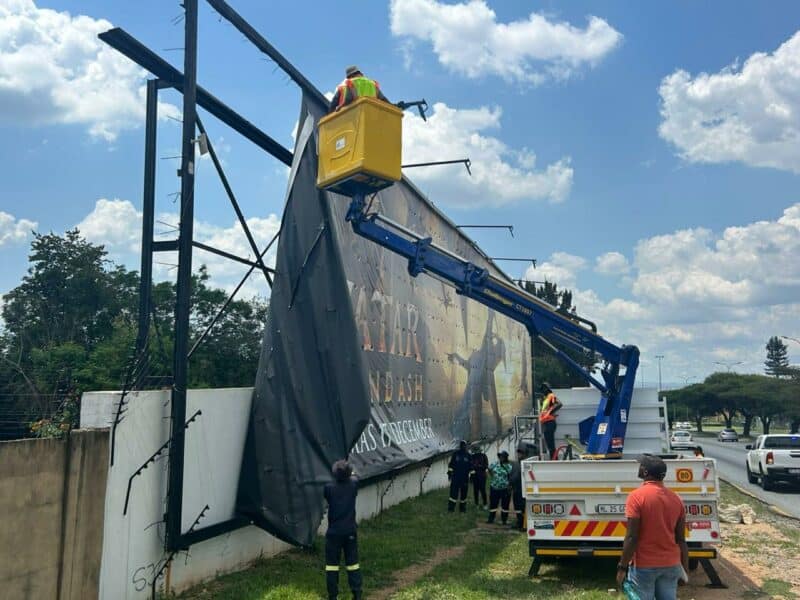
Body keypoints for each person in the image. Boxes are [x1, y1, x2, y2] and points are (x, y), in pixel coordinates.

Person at [616, 455, 688, 600]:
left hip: (645, 565)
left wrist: (622, 567)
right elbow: (681, 539)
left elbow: (632, 537)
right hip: (671, 564)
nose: (639, 467)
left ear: (646, 472)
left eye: (641, 466)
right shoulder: (677, 499)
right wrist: (684, 570)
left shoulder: (636, 497)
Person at [324, 460, 362, 600]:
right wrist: (351, 472)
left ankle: (333, 596)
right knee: (353, 564)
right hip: (350, 531)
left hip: (334, 533)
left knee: (332, 566)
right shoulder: (353, 485)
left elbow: (328, 494)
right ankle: (357, 593)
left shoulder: (329, 488)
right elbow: (356, 476)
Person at [486, 450, 513, 524]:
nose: (501, 458)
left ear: (505, 458)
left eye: (502, 456)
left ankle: (504, 520)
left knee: (505, 505)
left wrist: (509, 486)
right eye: (500, 456)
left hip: (505, 489)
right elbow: (489, 469)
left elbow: (511, 476)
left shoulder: (509, 466)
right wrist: (493, 477)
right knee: (493, 504)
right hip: (494, 488)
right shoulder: (494, 464)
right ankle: (491, 519)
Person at [447, 440, 474, 513]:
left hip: (464, 478)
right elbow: (451, 465)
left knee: (464, 495)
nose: (463, 447)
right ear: (460, 446)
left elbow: (471, 467)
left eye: (464, 445)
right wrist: (449, 473)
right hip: (455, 478)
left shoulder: (468, 456)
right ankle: (451, 509)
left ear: (466, 446)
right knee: (453, 494)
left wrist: (472, 477)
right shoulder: (455, 454)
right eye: (462, 445)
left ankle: (462, 509)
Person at [539, 382, 562, 459]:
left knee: (551, 445)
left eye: (544, 389)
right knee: (550, 445)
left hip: (550, 423)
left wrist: (550, 412)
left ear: (547, 389)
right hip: (547, 423)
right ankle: (554, 460)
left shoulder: (550, 396)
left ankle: (554, 461)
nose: (542, 391)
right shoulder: (546, 398)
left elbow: (559, 404)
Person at [510, 447, 528, 530]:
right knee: (517, 507)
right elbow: (512, 475)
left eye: (521, 453)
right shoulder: (515, 464)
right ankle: (519, 522)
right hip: (516, 489)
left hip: (523, 489)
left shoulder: (527, 464)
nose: (519, 455)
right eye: (518, 453)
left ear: (525, 454)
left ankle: (524, 524)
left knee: (523, 507)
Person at [469, 443, 489, 509]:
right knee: (476, 491)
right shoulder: (472, 457)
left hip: (482, 476)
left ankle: (485, 504)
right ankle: (476, 504)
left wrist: (479, 466)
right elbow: (471, 467)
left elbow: (486, 465)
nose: (476, 451)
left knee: (483, 490)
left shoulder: (483, 456)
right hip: (475, 477)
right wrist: (471, 477)